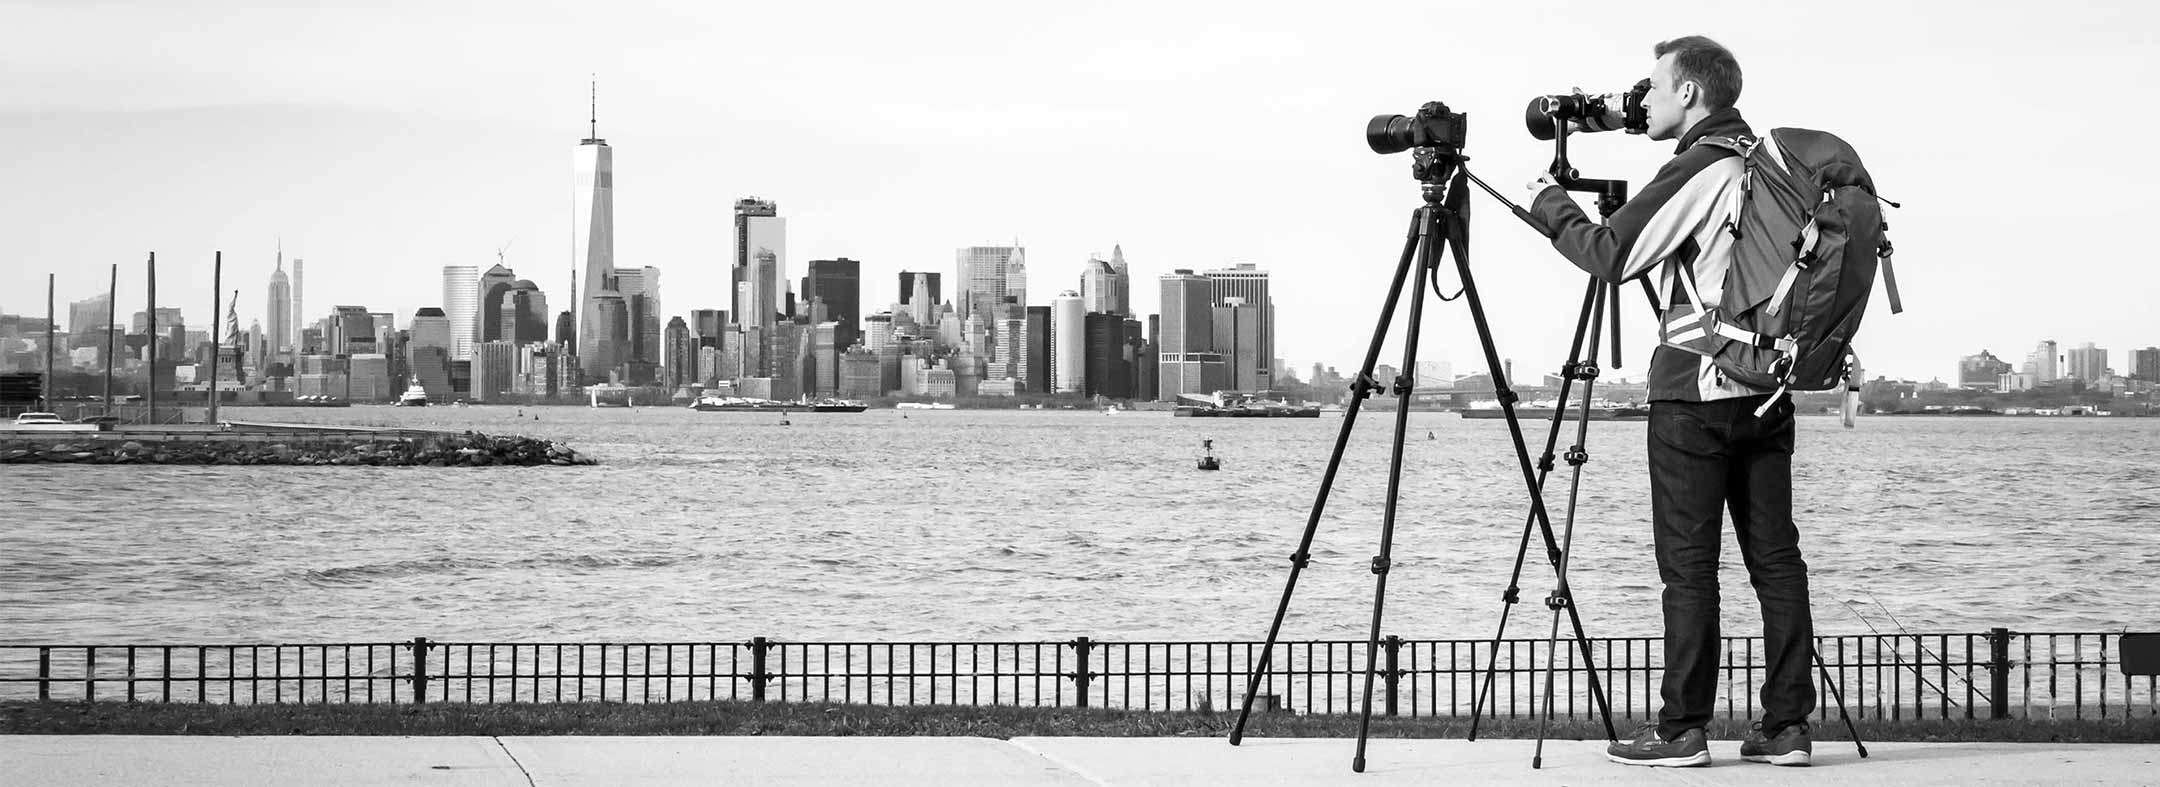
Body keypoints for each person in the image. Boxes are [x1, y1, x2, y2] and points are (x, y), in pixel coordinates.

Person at [1523, 35, 1814, 768]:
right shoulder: (1776, 167)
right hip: (1768, 388)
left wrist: (1549, 201)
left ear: (1690, 93)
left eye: (1653, 87)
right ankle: (1787, 728)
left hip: (1695, 395)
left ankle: (1682, 728)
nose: (1641, 99)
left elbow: (1611, 255)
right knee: (1776, 562)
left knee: (1689, 570)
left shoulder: (1704, 165)